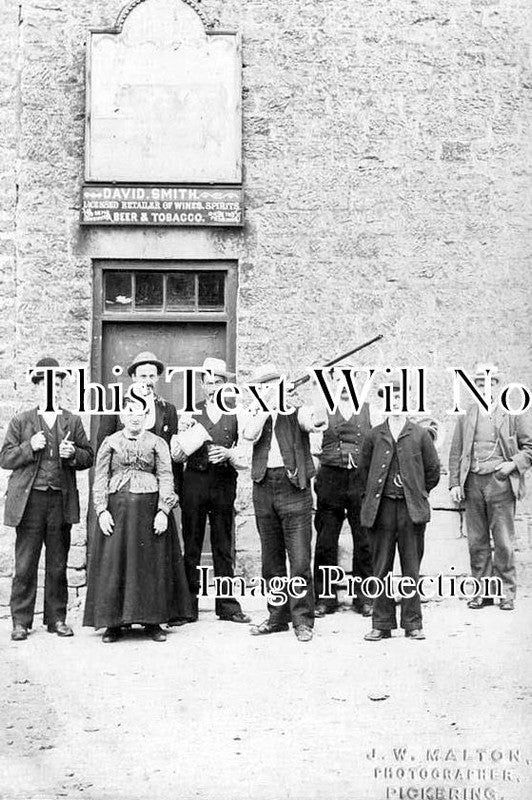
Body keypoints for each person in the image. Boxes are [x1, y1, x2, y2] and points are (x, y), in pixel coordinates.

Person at [83, 395, 192, 642]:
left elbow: (166, 475)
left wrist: (164, 511)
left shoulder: (157, 443)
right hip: (117, 515)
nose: (134, 417)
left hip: (149, 513)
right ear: (122, 416)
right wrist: (101, 511)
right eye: (129, 412)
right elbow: (100, 478)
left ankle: (152, 622)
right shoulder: (110, 443)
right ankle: (113, 624)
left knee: (150, 565)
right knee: (116, 564)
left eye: (140, 413)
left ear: (146, 417)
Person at [0, 357, 93, 641]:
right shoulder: (21, 420)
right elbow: (5, 457)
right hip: (29, 503)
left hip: (59, 502)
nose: (51, 389)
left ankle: (57, 619)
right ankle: (21, 622)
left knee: (57, 562)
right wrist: (30, 446)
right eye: (46, 383)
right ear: (38, 386)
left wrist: (73, 455)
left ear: (62, 386)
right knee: (26, 562)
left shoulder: (72, 421)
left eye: (57, 383)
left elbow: (88, 455)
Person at [242, 364, 328, 642]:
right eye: (264, 386)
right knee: (272, 560)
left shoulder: (297, 410)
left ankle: (303, 621)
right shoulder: (254, 412)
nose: (268, 389)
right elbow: (249, 433)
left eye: (272, 384)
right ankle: (277, 617)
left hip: (294, 488)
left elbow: (316, 422)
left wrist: (317, 389)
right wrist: (267, 404)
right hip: (264, 488)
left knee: (300, 560)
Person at [359, 379, 440, 641]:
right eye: (392, 397)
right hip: (381, 511)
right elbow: (363, 472)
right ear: (385, 401)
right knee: (381, 568)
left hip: (410, 511)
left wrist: (417, 492)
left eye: (401, 397)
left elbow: (433, 472)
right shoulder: (374, 434)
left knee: (411, 568)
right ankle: (381, 623)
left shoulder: (419, 434)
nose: (396, 401)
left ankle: (413, 623)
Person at [171, 357, 250, 623]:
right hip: (194, 482)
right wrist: (184, 437)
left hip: (224, 484)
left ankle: (227, 605)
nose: (214, 387)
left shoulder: (237, 412)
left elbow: (245, 454)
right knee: (191, 544)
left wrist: (228, 453)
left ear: (226, 385)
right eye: (209, 382)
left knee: (223, 544)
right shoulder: (188, 411)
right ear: (202, 385)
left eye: (218, 382)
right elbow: (177, 455)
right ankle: (187, 607)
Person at [448, 363, 532, 611]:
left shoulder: (513, 413)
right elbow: (456, 452)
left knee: (504, 541)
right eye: (479, 383)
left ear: (497, 385)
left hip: (501, 484)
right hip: (473, 482)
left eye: (489, 382)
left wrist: (511, 465)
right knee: (477, 541)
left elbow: (529, 449)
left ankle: (507, 593)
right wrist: (455, 482)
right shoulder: (467, 413)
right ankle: (482, 592)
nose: (484, 387)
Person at [313, 365, 373, 618]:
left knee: (364, 539)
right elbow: (313, 445)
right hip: (330, 478)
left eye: (349, 380)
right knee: (326, 540)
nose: (345, 386)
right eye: (339, 380)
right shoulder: (322, 410)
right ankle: (325, 598)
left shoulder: (371, 410)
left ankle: (365, 597)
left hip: (360, 480)